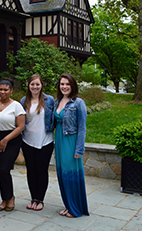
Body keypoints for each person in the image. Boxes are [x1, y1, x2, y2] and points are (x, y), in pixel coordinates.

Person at [0, 77, 25, 212]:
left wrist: (5, 140)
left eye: (5, 90)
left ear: (11, 91)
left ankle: (10, 198)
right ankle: (4, 199)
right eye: (0, 89)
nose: (2, 92)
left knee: (4, 169)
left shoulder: (16, 106)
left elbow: (20, 127)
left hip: (11, 140)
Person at [54, 73, 89, 218]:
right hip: (59, 140)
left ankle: (76, 209)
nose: (64, 87)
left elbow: (82, 127)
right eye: (62, 84)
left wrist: (79, 149)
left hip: (71, 140)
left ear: (73, 86)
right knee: (62, 174)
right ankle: (68, 206)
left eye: (67, 84)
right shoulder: (57, 101)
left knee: (71, 174)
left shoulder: (78, 103)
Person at [20, 74, 54, 211]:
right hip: (27, 141)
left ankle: (40, 200)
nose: (35, 87)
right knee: (31, 171)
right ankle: (33, 198)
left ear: (41, 85)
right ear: (28, 85)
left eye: (37, 84)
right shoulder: (24, 100)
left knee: (42, 170)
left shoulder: (49, 100)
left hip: (45, 141)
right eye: (32, 84)